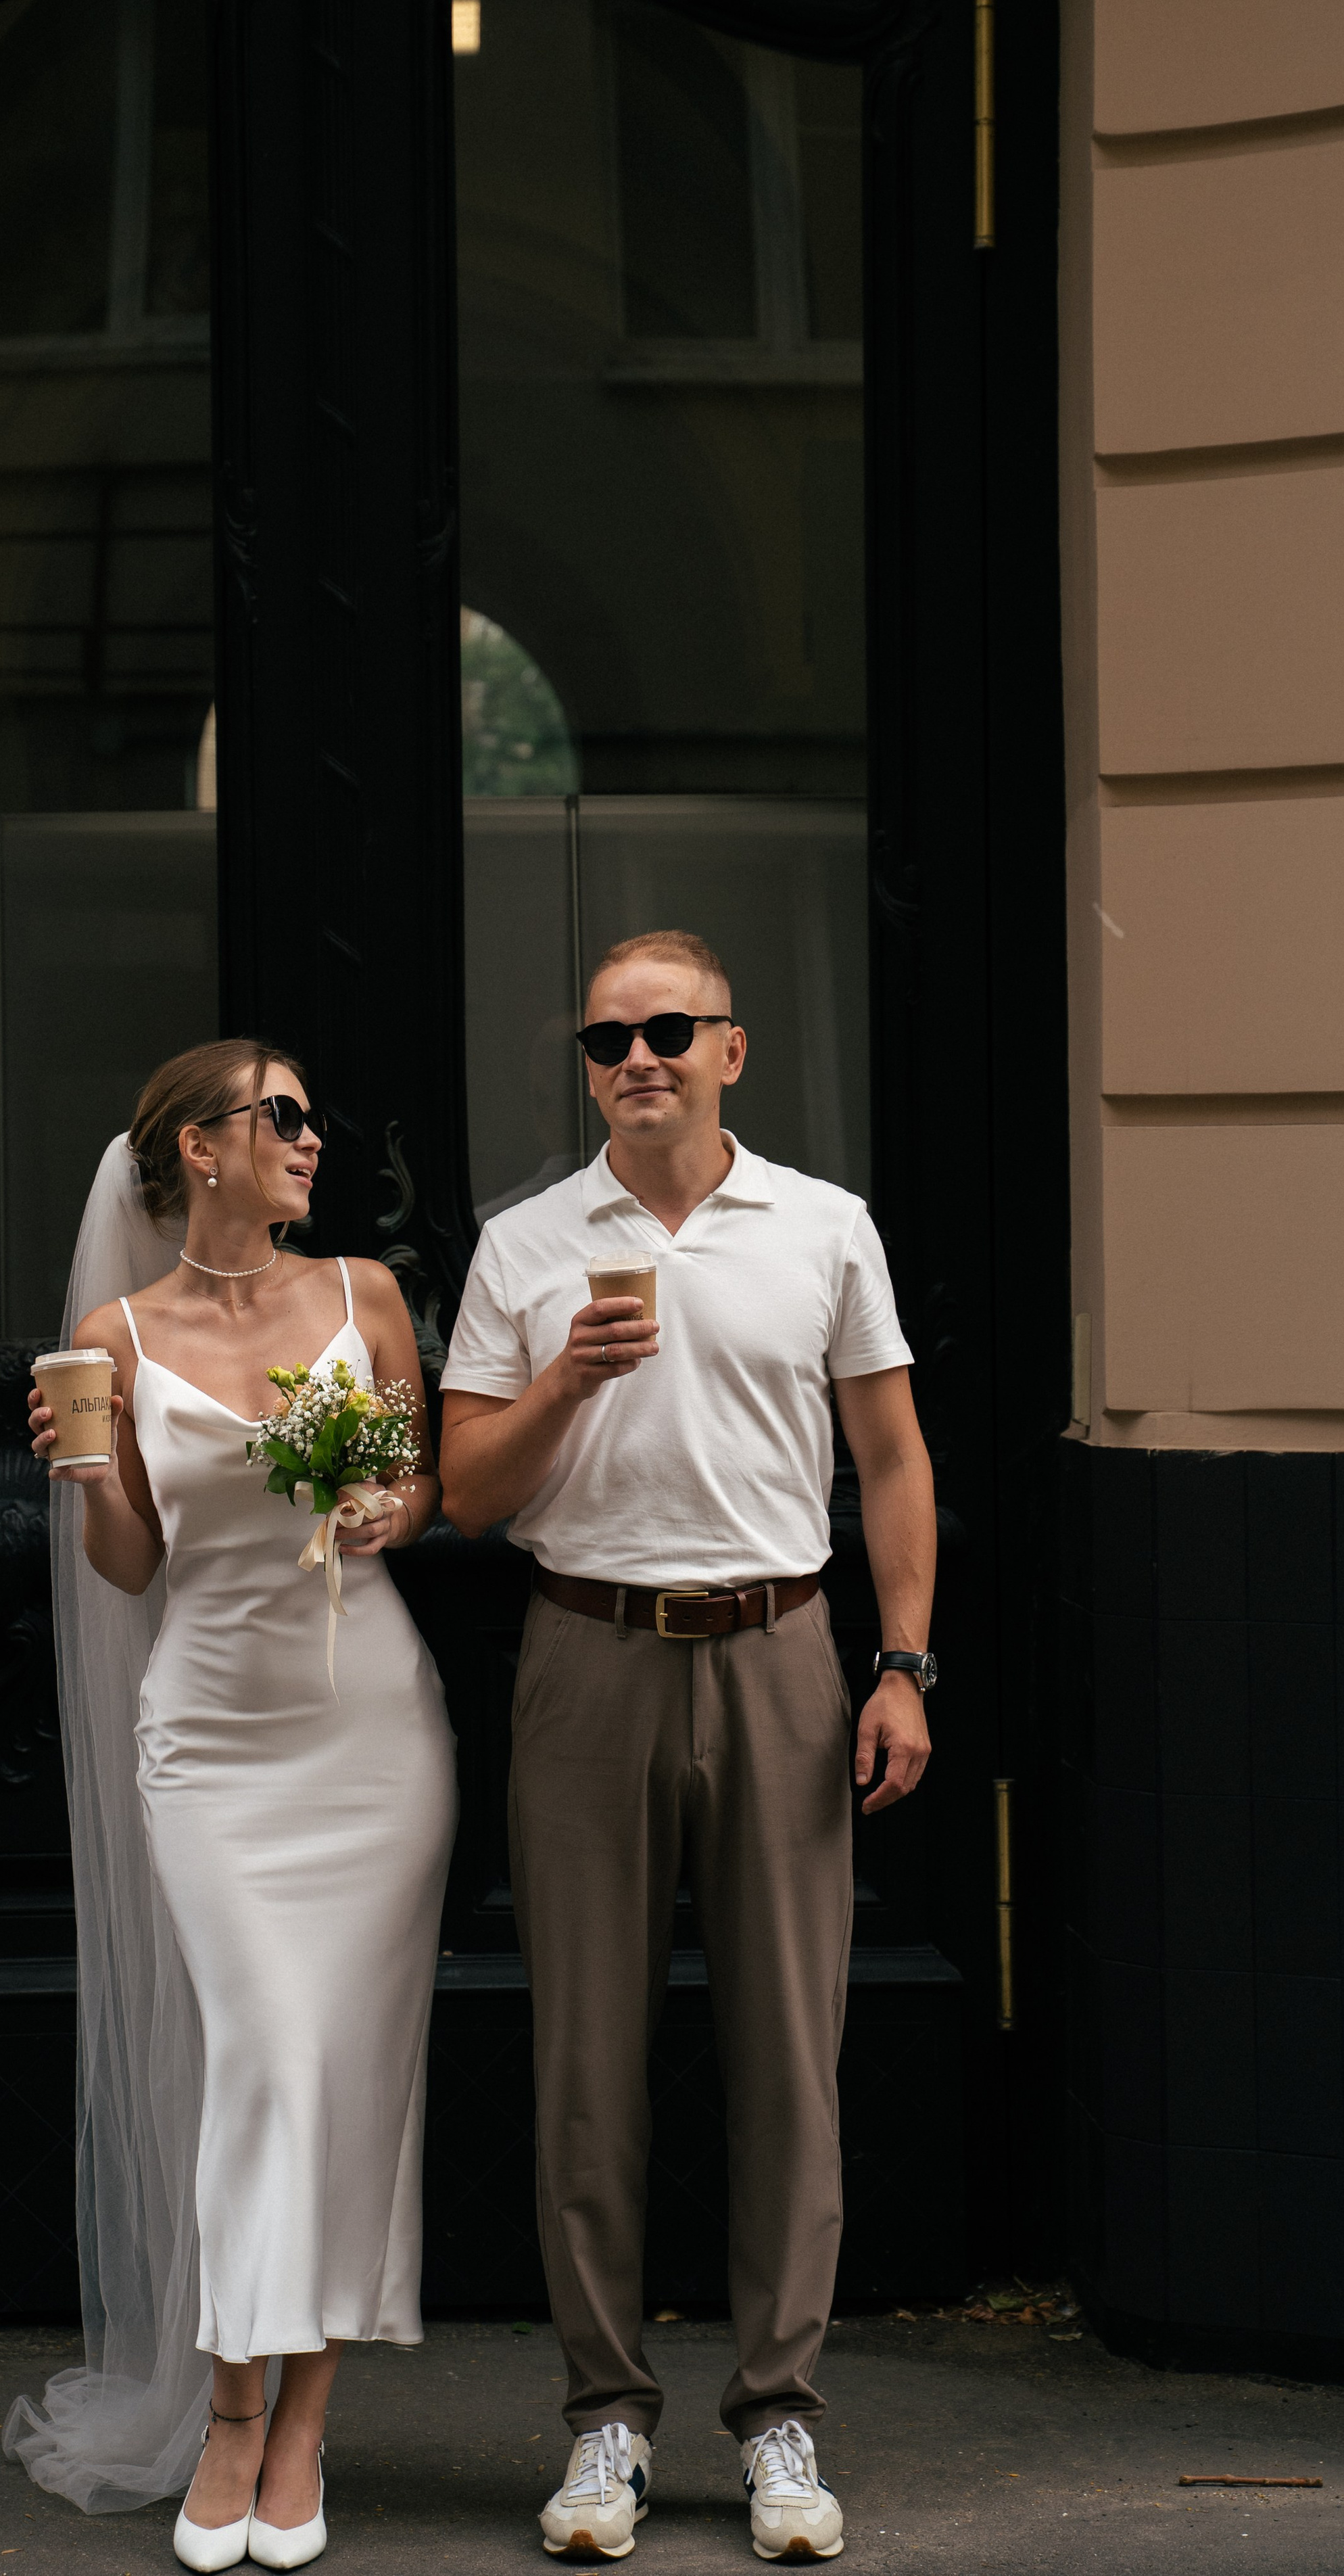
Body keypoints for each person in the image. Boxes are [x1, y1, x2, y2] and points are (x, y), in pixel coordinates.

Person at [438, 931, 936, 2566]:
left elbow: (888, 1454)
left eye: (666, 1029)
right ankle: (602, 2424)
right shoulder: (523, 1246)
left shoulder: (822, 1226)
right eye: (604, 1037)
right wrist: (566, 1382)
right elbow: (465, 1493)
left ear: (731, 1049)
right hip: (585, 1656)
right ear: (582, 1065)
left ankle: (779, 2411)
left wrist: (901, 1666)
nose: (634, 1056)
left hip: (782, 1651)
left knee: (788, 2057)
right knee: (586, 2062)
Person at [4, 1040, 456, 2573]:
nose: (311, 1139)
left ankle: (305, 2426)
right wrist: (87, 1480)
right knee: (259, 2052)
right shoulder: (111, 1334)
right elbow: (134, 1569)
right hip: (208, 1740)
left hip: (371, 1737)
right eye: (283, 1117)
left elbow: (410, 1493)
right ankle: (227, 2411)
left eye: (312, 1118)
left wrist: (388, 1498)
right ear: (198, 1148)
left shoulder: (366, 1300)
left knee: (345, 2074)